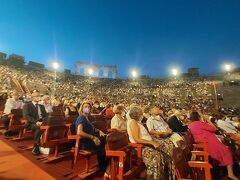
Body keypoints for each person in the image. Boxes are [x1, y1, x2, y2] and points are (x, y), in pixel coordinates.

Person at [127, 106, 175, 180]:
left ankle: (168, 175)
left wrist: (153, 137)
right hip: (141, 147)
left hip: (147, 143)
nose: (142, 115)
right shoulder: (133, 122)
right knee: (157, 156)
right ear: (136, 114)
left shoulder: (137, 122)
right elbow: (137, 139)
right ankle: (154, 177)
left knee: (169, 146)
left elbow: (144, 135)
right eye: (140, 114)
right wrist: (152, 142)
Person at [189, 111, 238, 180]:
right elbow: (214, 129)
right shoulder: (199, 123)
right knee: (226, 151)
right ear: (198, 117)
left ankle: (228, 171)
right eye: (200, 115)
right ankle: (231, 174)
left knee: (226, 148)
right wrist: (208, 120)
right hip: (208, 143)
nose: (202, 116)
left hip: (206, 142)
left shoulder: (192, 124)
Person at [75, 101, 107, 170]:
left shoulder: (87, 118)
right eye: (85, 107)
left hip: (90, 140)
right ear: (82, 108)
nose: (88, 108)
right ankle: (104, 165)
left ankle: (104, 164)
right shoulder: (81, 117)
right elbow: (79, 132)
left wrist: (100, 131)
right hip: (85, 142)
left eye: (89, 107)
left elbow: (94, 129)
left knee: (105, 139)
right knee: (105, 140)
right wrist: (93, 137)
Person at [23, 91, 47, 156]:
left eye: (39, 96)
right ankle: (36, 146)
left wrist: (47, 121)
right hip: (31, 123)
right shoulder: (27, 105)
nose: (38, 97)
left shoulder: (41, 106)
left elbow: (45, 116)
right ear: (32, 97)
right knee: (38, 127)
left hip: (41, 122)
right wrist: (36, 122)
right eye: (37, 96)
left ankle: (48, 144)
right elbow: (26, 116)